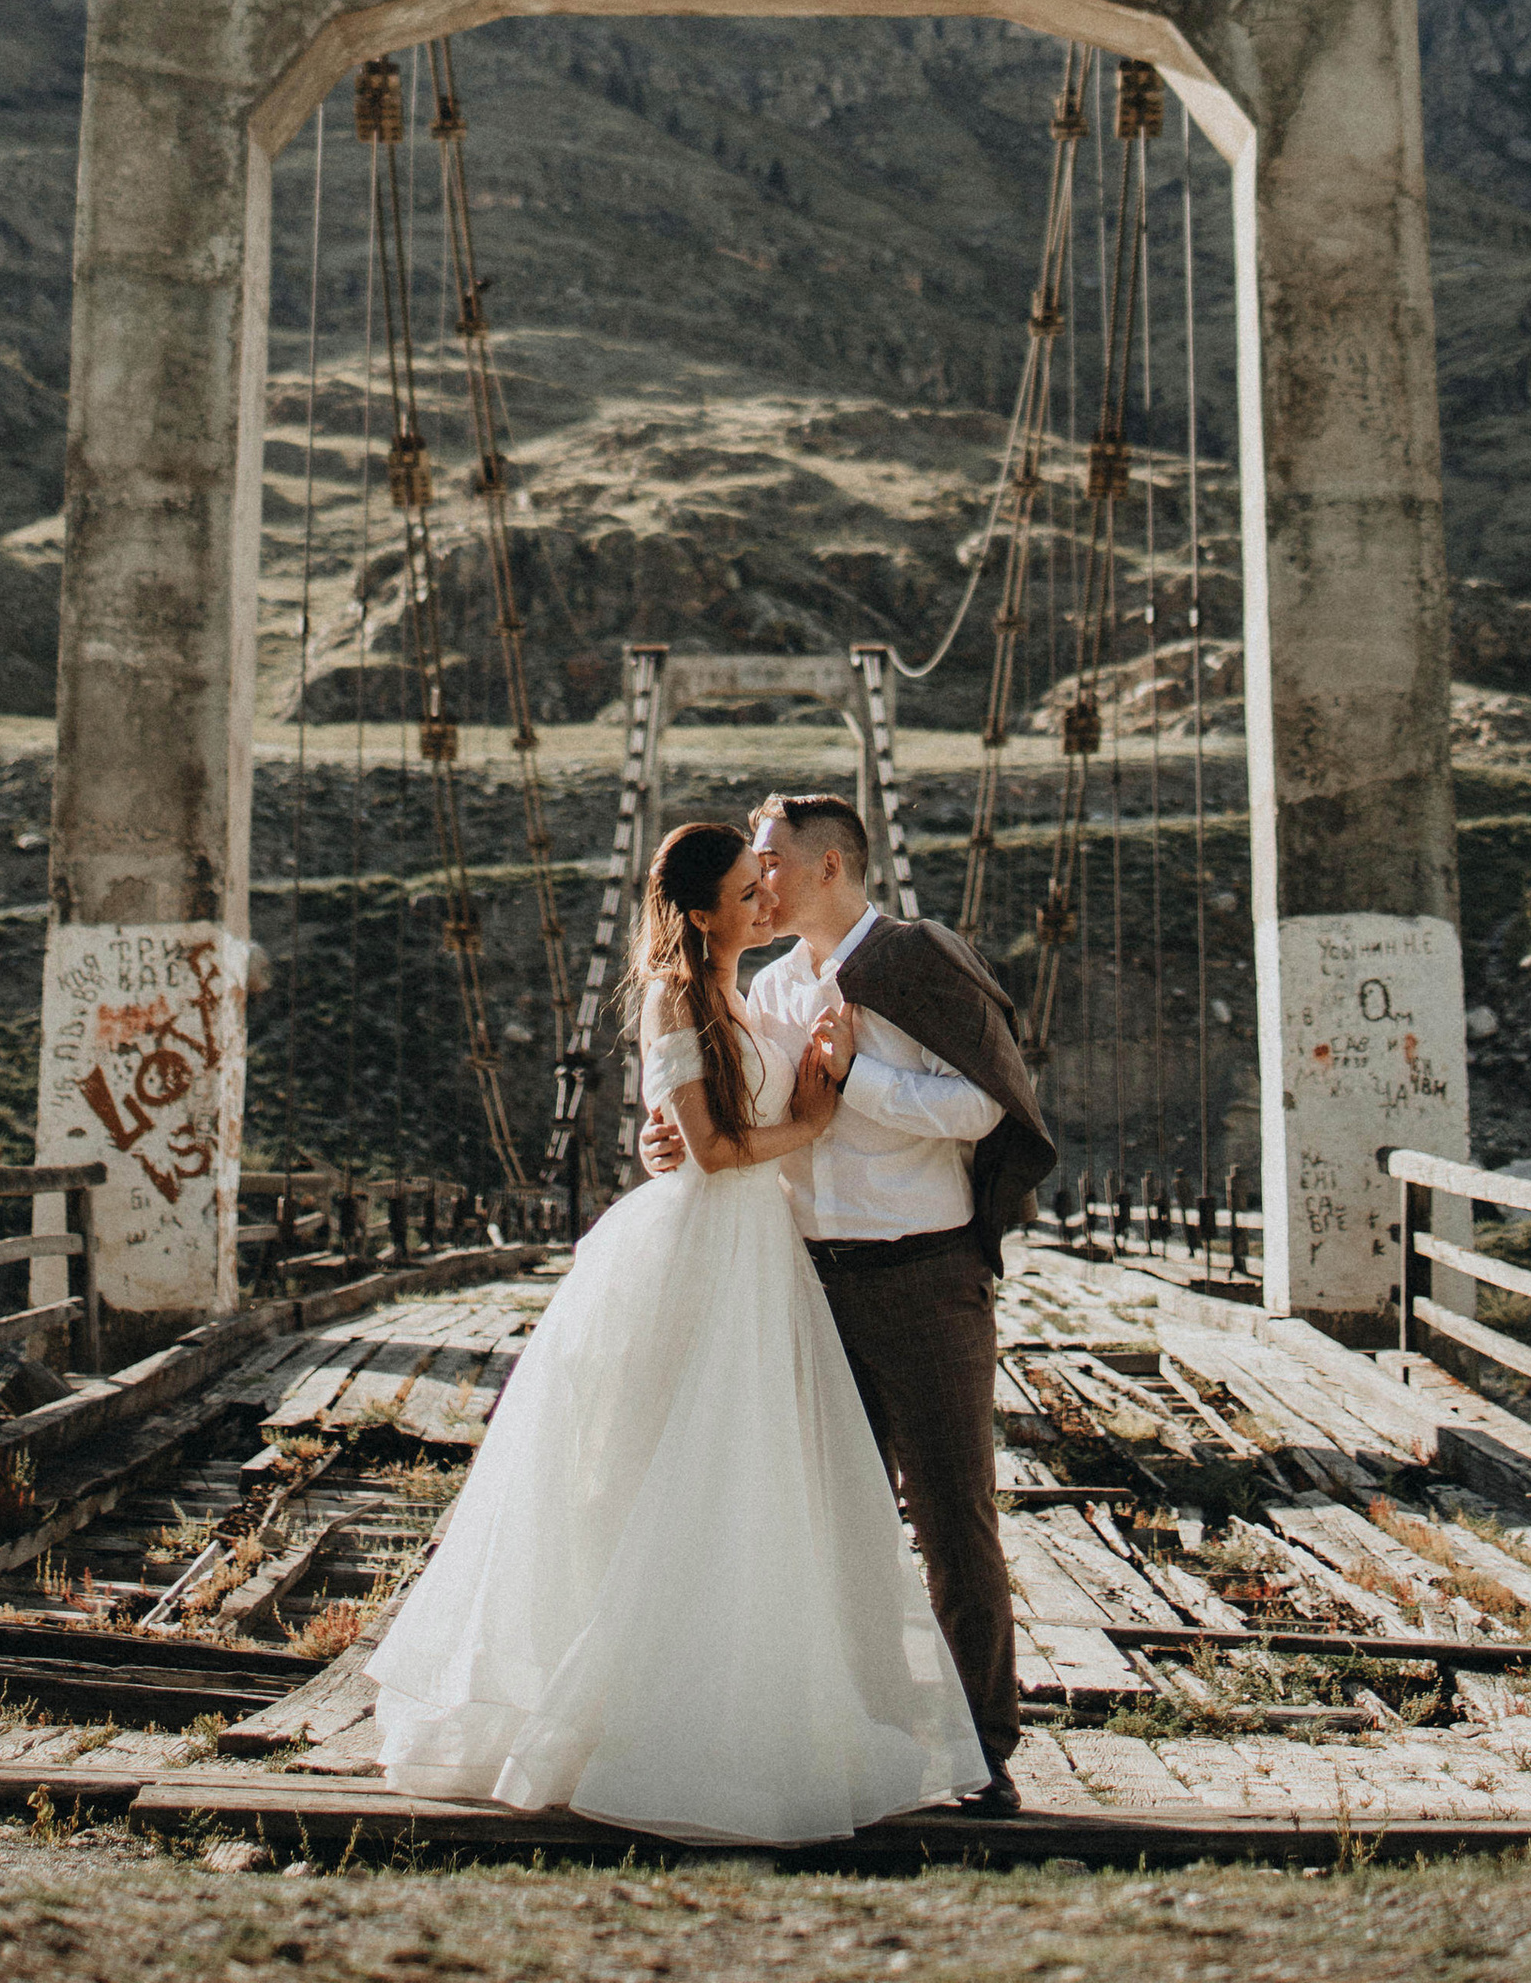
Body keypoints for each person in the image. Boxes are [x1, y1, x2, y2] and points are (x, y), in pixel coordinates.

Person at [367, 818, 988, 1845]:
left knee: (754, 1488)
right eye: (748, 888)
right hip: (706, 1252)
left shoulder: (765, 991)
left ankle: (758, 1709)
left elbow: (724, 1128)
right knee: (666, 1479)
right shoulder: (679, 993)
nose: (765, 899)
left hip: (766, 1254)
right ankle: (633, 1716)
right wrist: (815, 1118)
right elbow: (708, 1147)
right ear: (701, 911)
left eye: (767, 880)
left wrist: (819, 1088)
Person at [639, 790, 1055, 1813]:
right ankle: (863, 1741)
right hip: (809, 1281)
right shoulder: (774, 988)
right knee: (837, 1524)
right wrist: (671, 1147)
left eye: (770, 862)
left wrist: (859, 1076)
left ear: (830, 868)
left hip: (923, 1276)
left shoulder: (919, 958)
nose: (756, 878)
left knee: (953, 1517)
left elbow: (979, 1106)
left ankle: (983, 1754)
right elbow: (750, 1112)